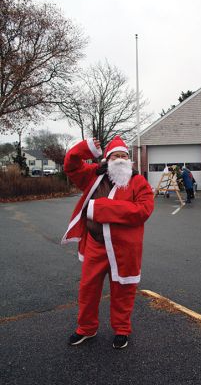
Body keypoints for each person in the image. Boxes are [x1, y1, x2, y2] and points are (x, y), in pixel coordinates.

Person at [61, 136, 154, 349]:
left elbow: (143, 210)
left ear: (129, 161)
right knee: (88, 288)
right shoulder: (93, 176)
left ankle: (122, 330)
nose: (120, 159)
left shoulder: (138, 181)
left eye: (124, 156)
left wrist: (99, 209)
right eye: (115, 156)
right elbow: (70, 165)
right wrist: (86, 148)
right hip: (95, 244)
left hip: (124, 248)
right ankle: (86, 328)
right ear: (107, 160)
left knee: (123, 289)